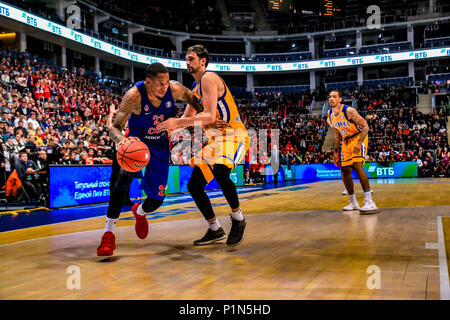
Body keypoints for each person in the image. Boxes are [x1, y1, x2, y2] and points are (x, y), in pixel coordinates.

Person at [97, 62, 204, 256]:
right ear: (148, 82)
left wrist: (200, 117)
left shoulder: (175, 89)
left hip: (160, 145)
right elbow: (114, 127)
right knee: (120, 185)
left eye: (166, 82)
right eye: (160, 83)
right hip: (136, 143)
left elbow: (196, 101)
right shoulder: (134, 95)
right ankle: (108, 234)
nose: (165, 86)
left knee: (156, 201)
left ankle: (140, 212)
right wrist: (122, 141)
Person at [157, 44, 249, 246]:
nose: (187, 62)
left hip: (233, 135)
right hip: (216, 140)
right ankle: (215, 229)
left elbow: (207, 115)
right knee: (194, 185)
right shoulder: (195, 89)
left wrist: (180, 123)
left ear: (203, 61)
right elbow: (185, 118)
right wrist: (164, 127)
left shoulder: (209, 78)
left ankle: (238, 219)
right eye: (186, 59)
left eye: (191, 58)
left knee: (221, 172)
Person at [328, 90, 378, 214]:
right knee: (345, 170)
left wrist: (359, 143)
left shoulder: (349, 111)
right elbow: (336, 133)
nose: (331, 99)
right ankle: (353, 202)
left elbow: (366, 126)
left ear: (340, 99)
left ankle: (369, 202)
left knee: (356, 164)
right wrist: (335, 152)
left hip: (358, 137)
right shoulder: (329, 115)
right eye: (330, 97)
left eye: (334, 97)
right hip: (345, 141)